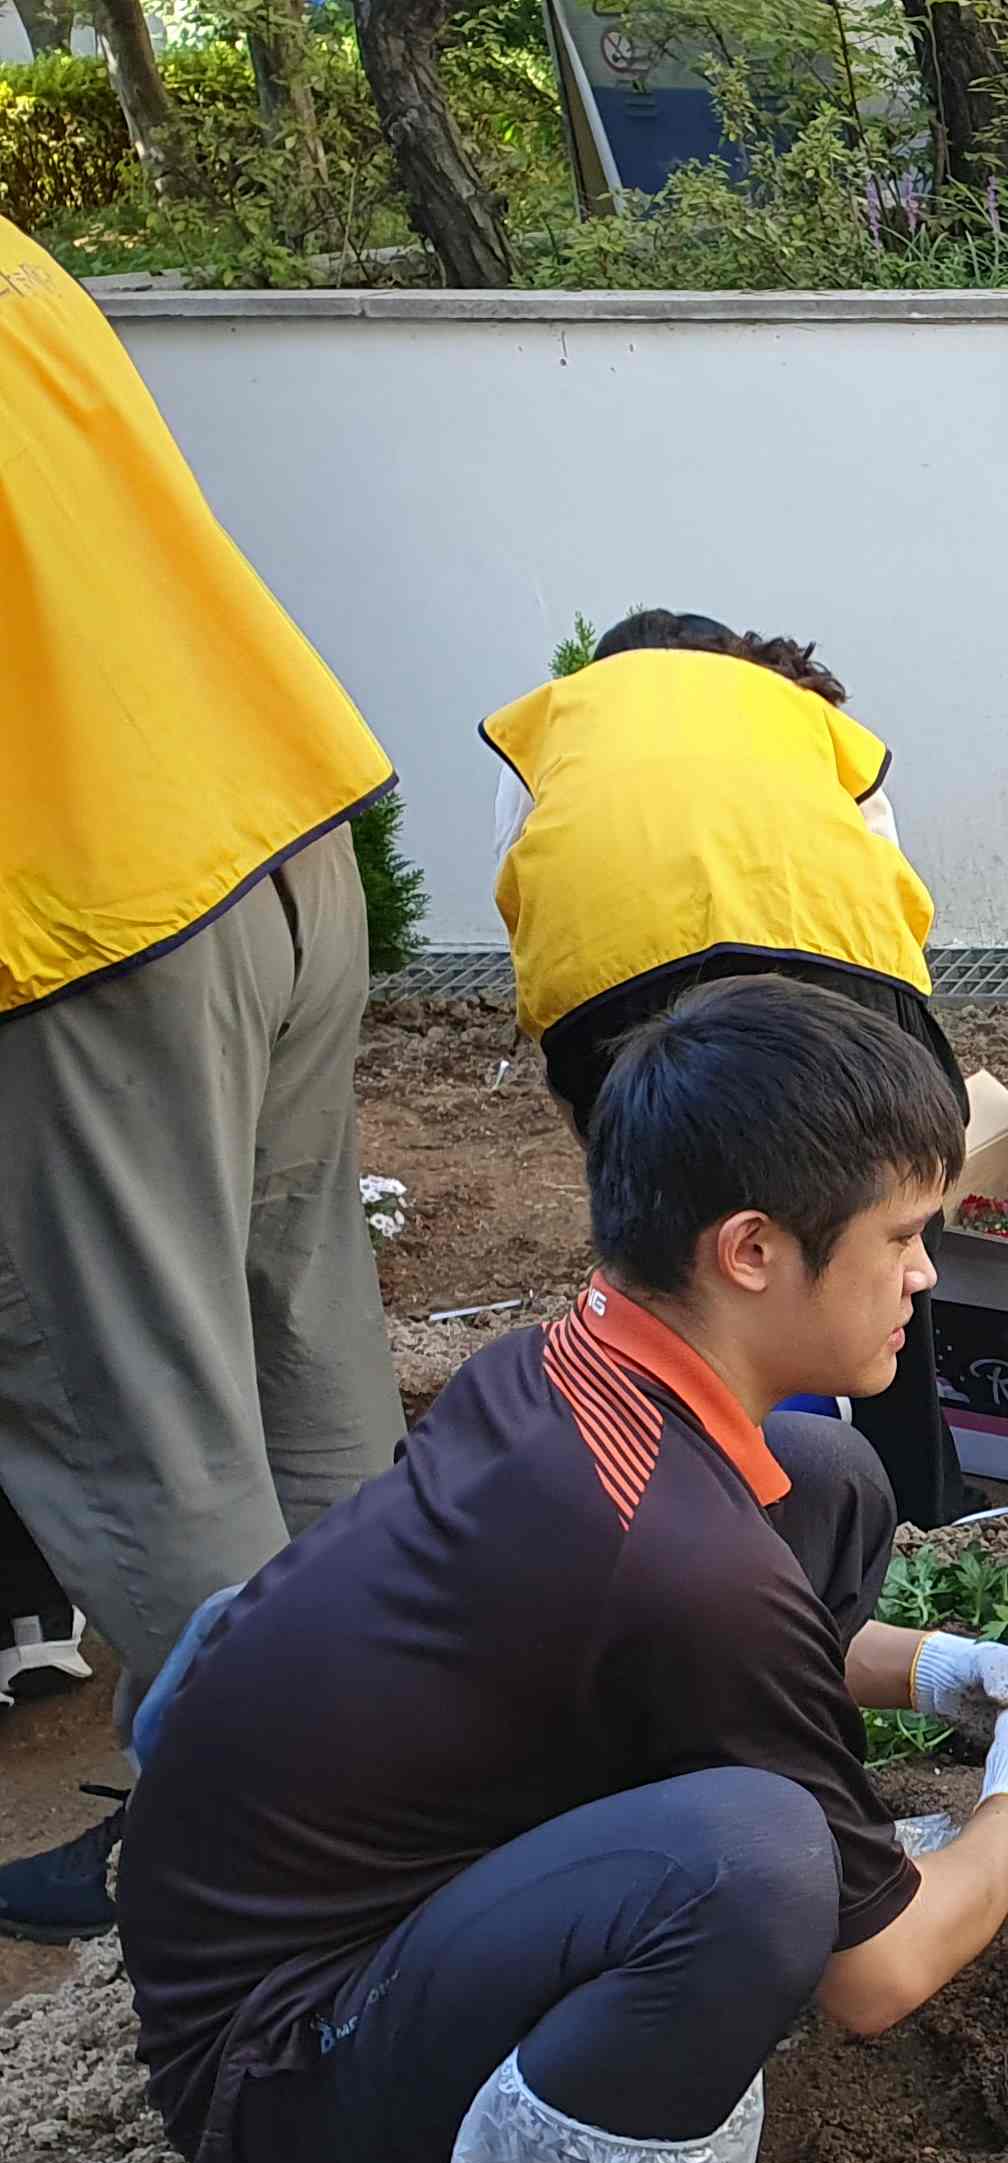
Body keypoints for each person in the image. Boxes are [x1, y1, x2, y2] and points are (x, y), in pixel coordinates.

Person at [116, 985, 1008, 2163]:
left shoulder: (567, 1369)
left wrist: (959, 1676)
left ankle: (753, 1841)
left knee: (824, 1481)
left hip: (300, 1876)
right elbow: (877, 1976)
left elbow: (691, 1624)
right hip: (284, 2068)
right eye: (903, 1237)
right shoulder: (671, 1560)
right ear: (752, 1249)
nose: (924, 1275)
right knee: (756, 1869)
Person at [0, 216, 408, 1944]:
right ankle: (420, 1785)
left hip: (79, 912)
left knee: (140, 1424)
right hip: (273, 837)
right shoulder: (18, 266)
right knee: (300, 1340)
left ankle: (286, 1889)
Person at [480, 604, 970, 1521]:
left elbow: (524, 880)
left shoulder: (559, 722)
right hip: (838, 957)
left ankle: (694, 1491)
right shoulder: (794, 713)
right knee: (883, 1232)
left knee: (677, 1246)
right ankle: (913, 1505)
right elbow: (891, 879)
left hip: (622, 978)